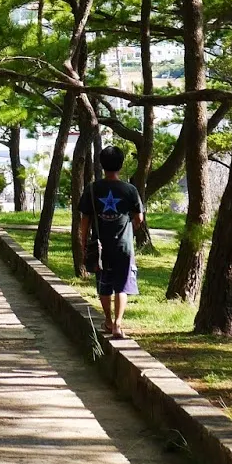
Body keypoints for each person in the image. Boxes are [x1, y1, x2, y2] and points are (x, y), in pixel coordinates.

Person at [78, 144, 145, 338]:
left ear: (101, 164)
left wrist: (83, 243)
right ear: (121, 165)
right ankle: (118, 323)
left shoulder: (92, 189)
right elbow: (139, 218)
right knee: (122, 285)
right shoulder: (130, 190)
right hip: (124, 245)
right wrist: (129, 230)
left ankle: (107, 320)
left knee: (104, 284)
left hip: (99, 246)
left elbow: (85, 220)